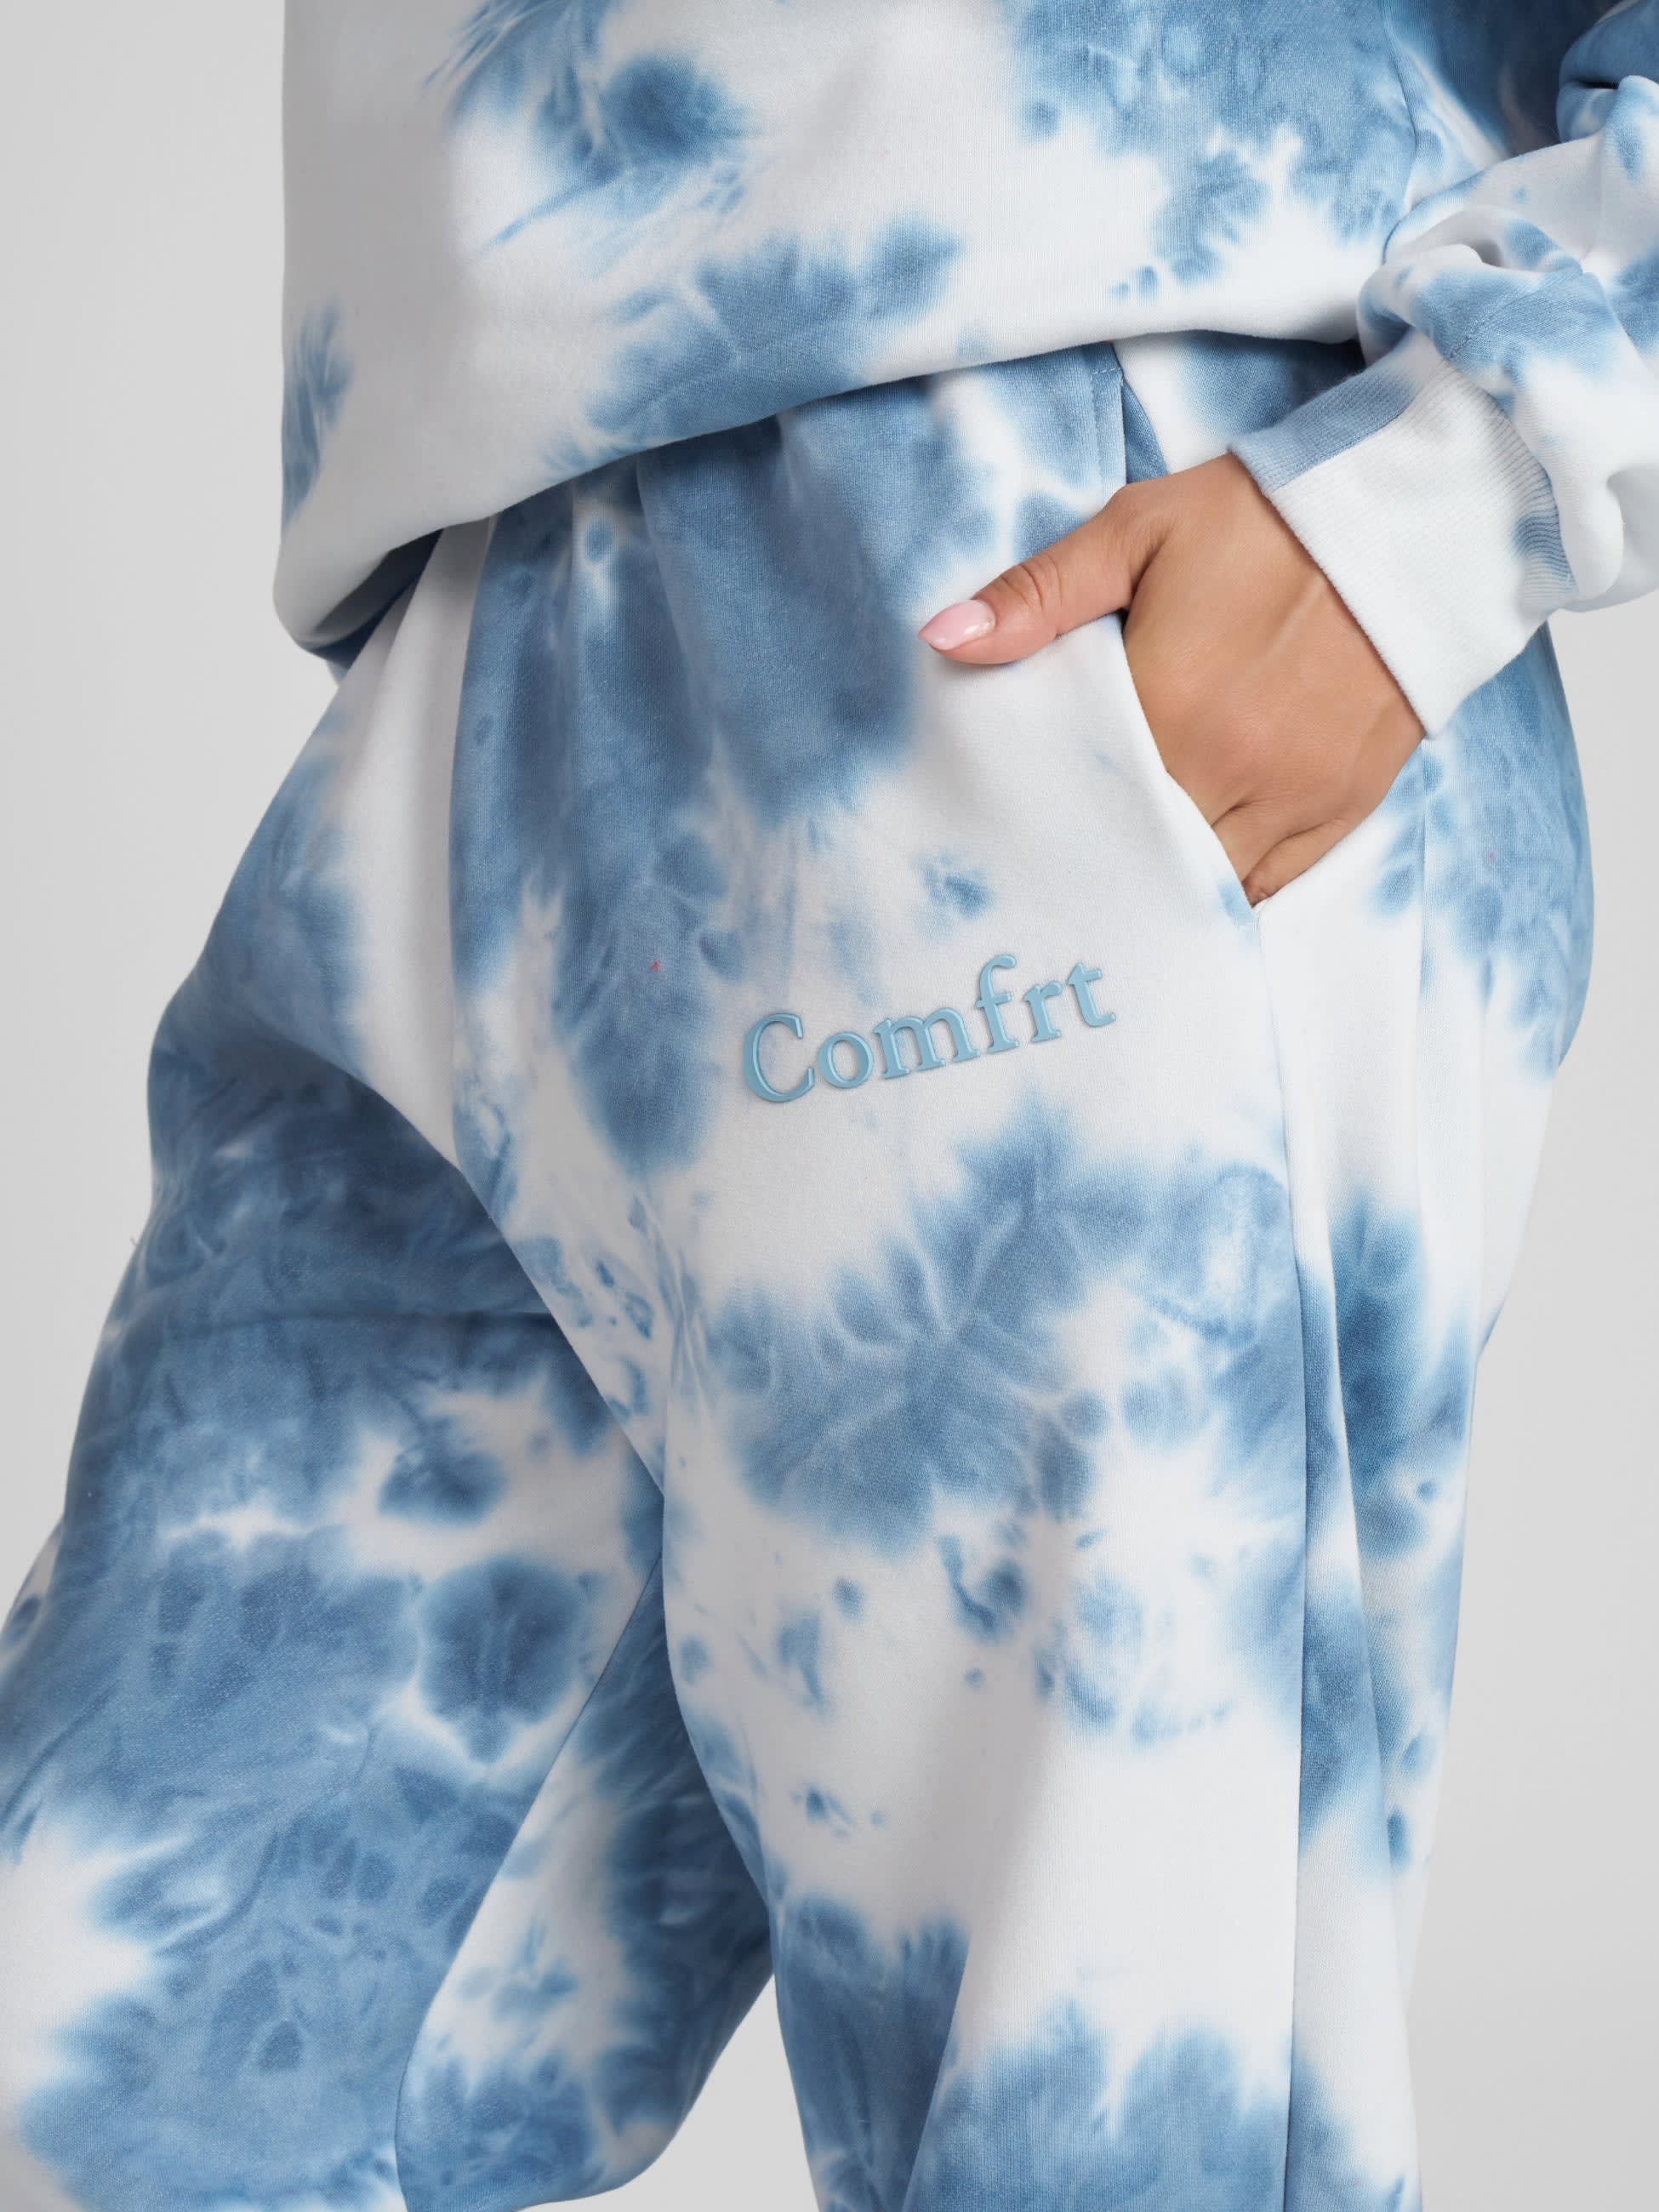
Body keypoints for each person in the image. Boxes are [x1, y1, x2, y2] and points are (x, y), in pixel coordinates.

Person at [1, 4, 1654, 2207]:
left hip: (1056, 513)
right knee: (107, 2074)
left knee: (1093, 2132)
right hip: (470, 586)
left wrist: (1457, 479)